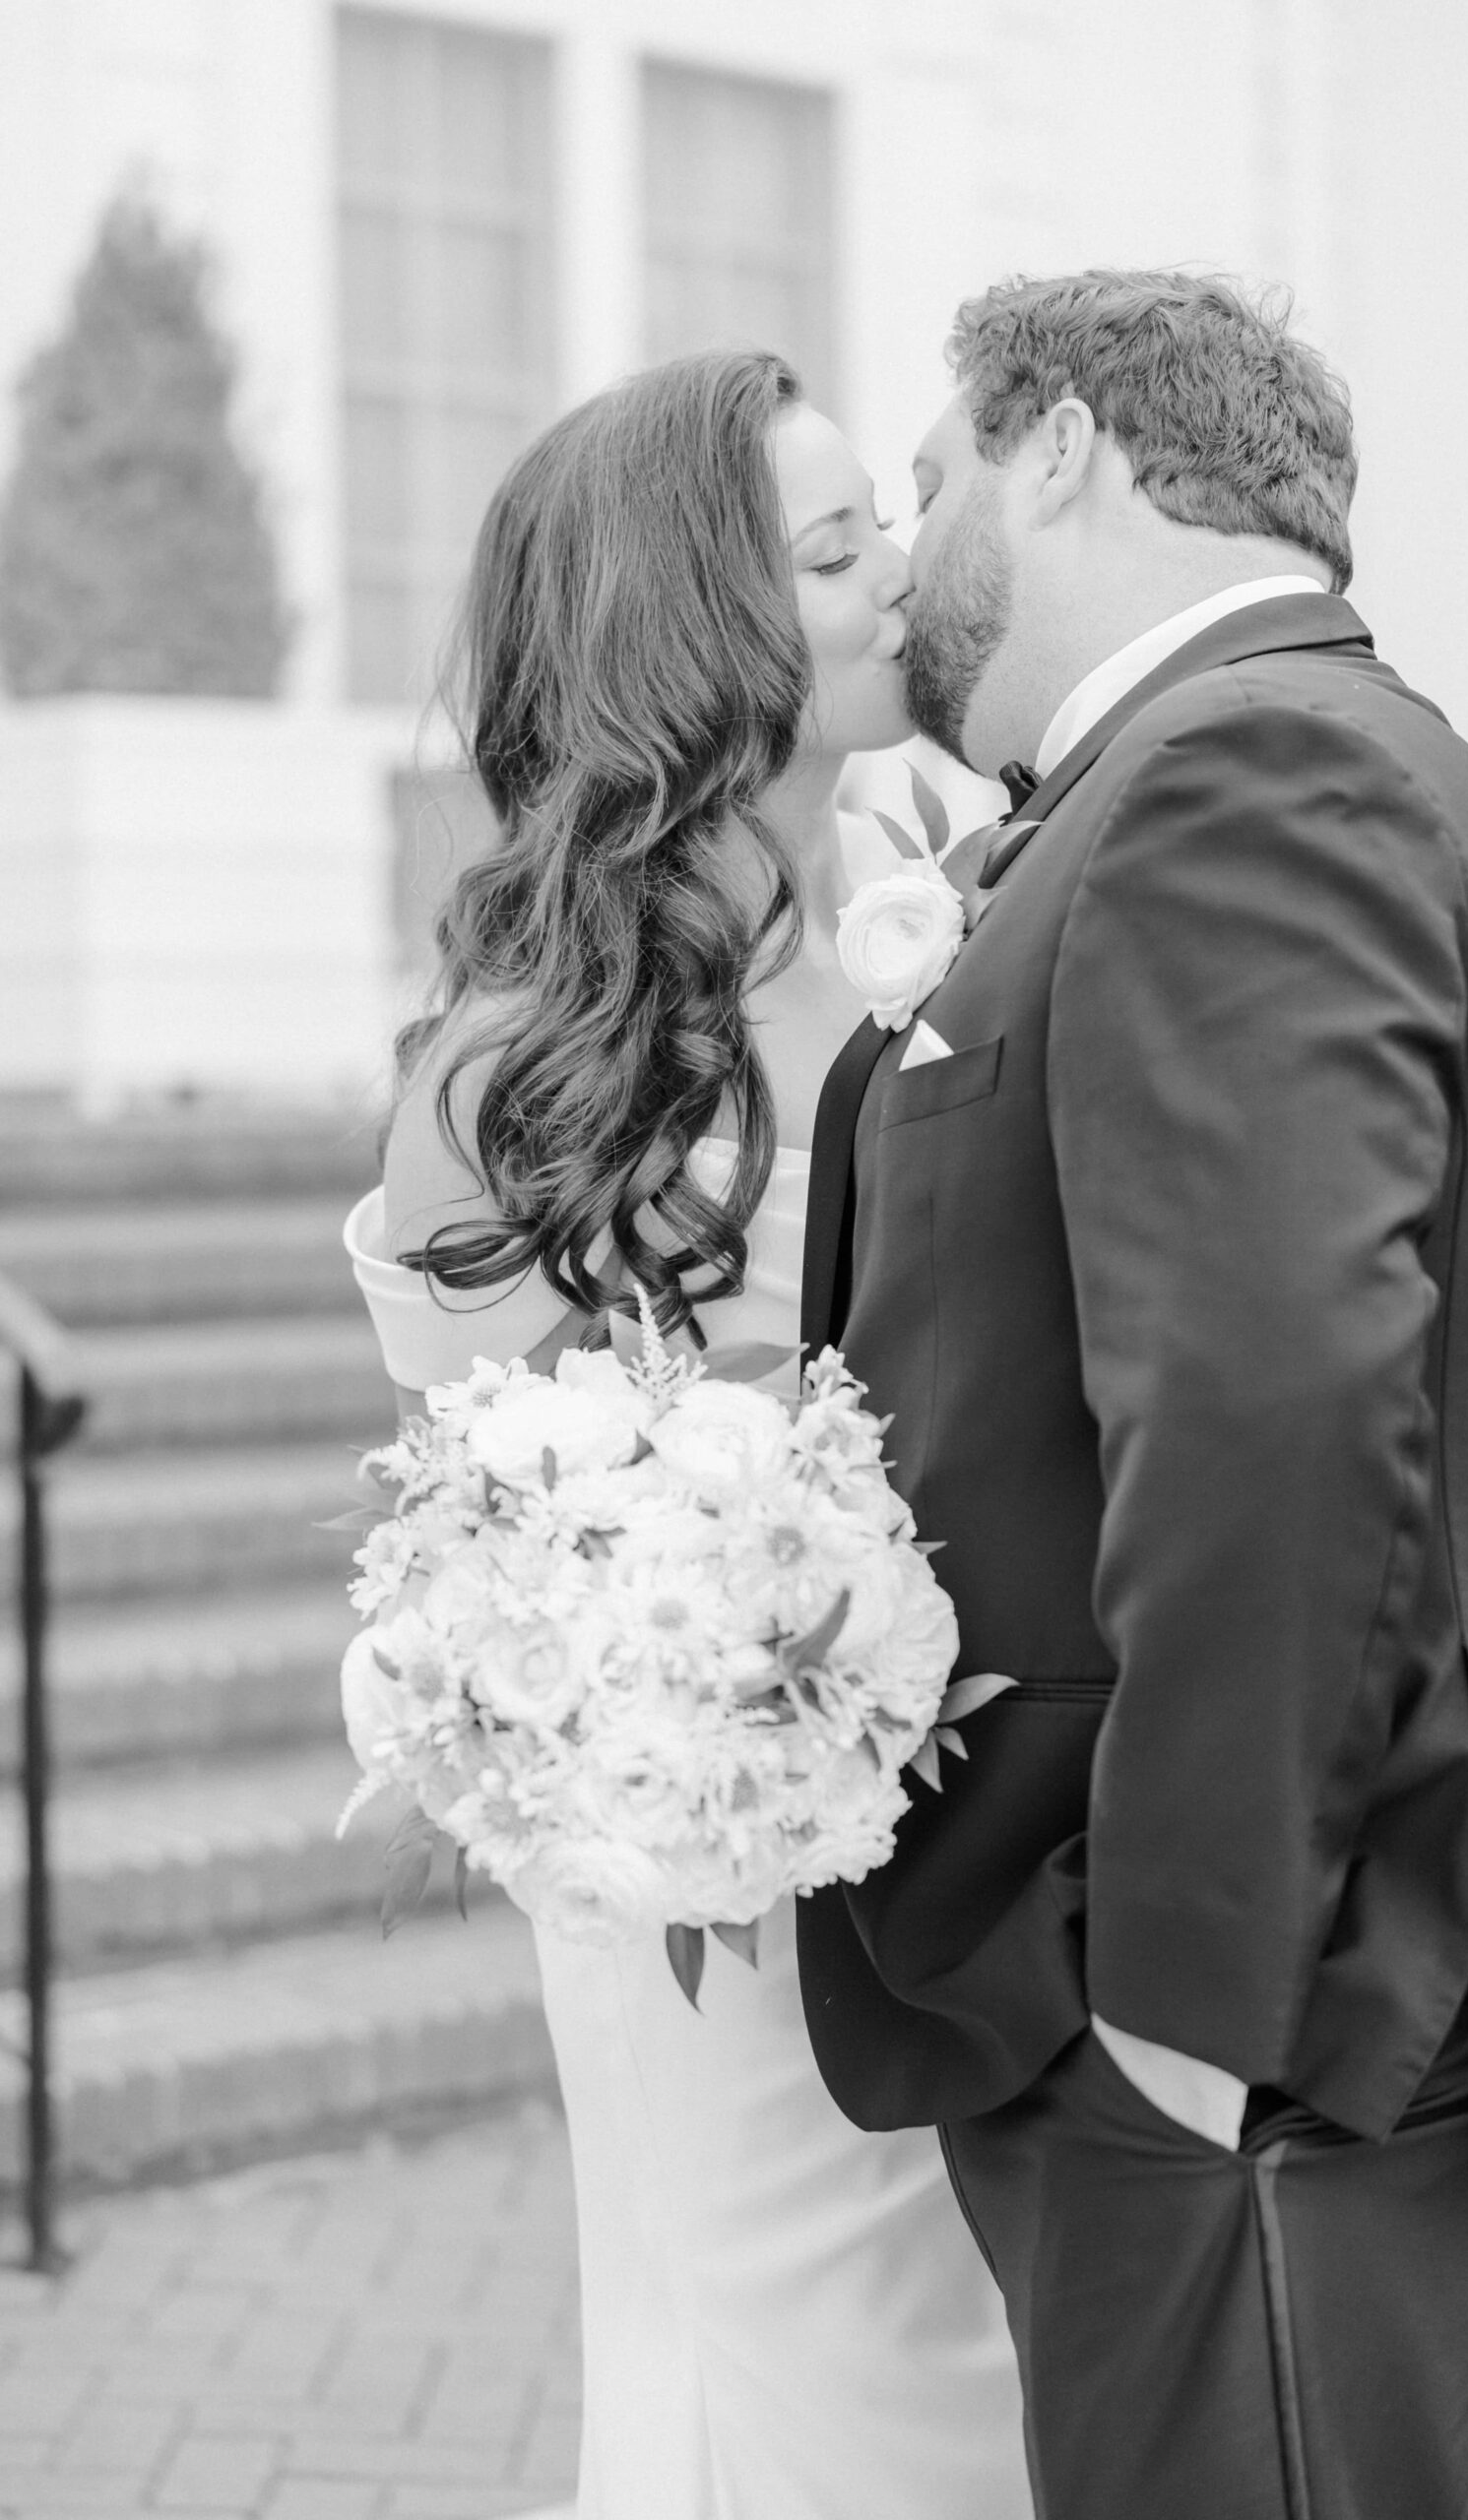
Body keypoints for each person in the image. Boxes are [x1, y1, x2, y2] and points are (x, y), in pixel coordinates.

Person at [796, 270, 1468, 2520]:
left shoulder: (1244, 768)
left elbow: (1276, 1412)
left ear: (1062, 441)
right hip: (1296, 2027)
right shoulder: (1272, 756)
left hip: (1272, 2040)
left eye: (928, 481)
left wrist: (1186, 2016)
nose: (910, 551)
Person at [345, 349, 1033, 2520]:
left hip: (980, 1829)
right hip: (709, 1863)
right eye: (835, 551)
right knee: (795, 2373)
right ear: (706, 635)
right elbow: (498, 1545)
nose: (901, 576)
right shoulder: (515, 1077)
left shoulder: (969, 921)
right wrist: (733, 1707)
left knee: (966, 2374)